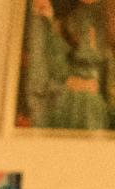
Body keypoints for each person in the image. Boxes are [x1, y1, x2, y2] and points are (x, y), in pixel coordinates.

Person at [24, 0, 114, 130]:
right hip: (72, 102)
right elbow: (51, 71)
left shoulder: (103, 18)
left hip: (96, 106)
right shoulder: (61, 23)